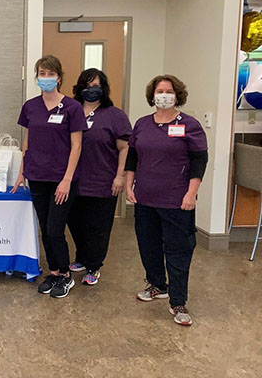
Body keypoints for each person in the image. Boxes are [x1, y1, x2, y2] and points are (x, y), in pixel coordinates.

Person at [125, 75, 208, 326]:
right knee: (148, 246)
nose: (163, 95)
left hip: (176, 201)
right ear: (152, 96)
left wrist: (191, 193)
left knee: (178, 251)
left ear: (177, 95)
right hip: (145, 199)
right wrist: (129, 185)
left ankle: (178, 301)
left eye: (168, 91)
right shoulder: (141, 124)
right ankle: (157, 285)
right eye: (159, 91)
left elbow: (199, 161)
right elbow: (132, 158)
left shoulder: (189, 125)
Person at [12, 55, 88, 298]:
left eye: (50, 74)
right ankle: (54, 272)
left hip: (61, 178)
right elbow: (27, 141)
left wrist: (67, 179)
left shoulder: (73, 108)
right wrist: (22, 172)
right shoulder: (30, 106)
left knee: (56, 229)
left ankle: (65, 275)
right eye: (41, 73)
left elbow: (77, 146)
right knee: (45, 228)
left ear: (59, 77)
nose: (46, 78)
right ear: (36, 77)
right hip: (37, 176)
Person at [67, 69, 132, 286]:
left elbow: (125, 147)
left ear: (103, 88)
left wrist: (120, 176)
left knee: (98, 227)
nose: (91, 90)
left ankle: (94, 265)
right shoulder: (71, 111)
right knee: (75, 223)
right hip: (73, 181)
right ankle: (82, 258)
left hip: (103, 181)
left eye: (96, 85)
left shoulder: (115, 115)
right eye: (87, 85)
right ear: (79, 88)